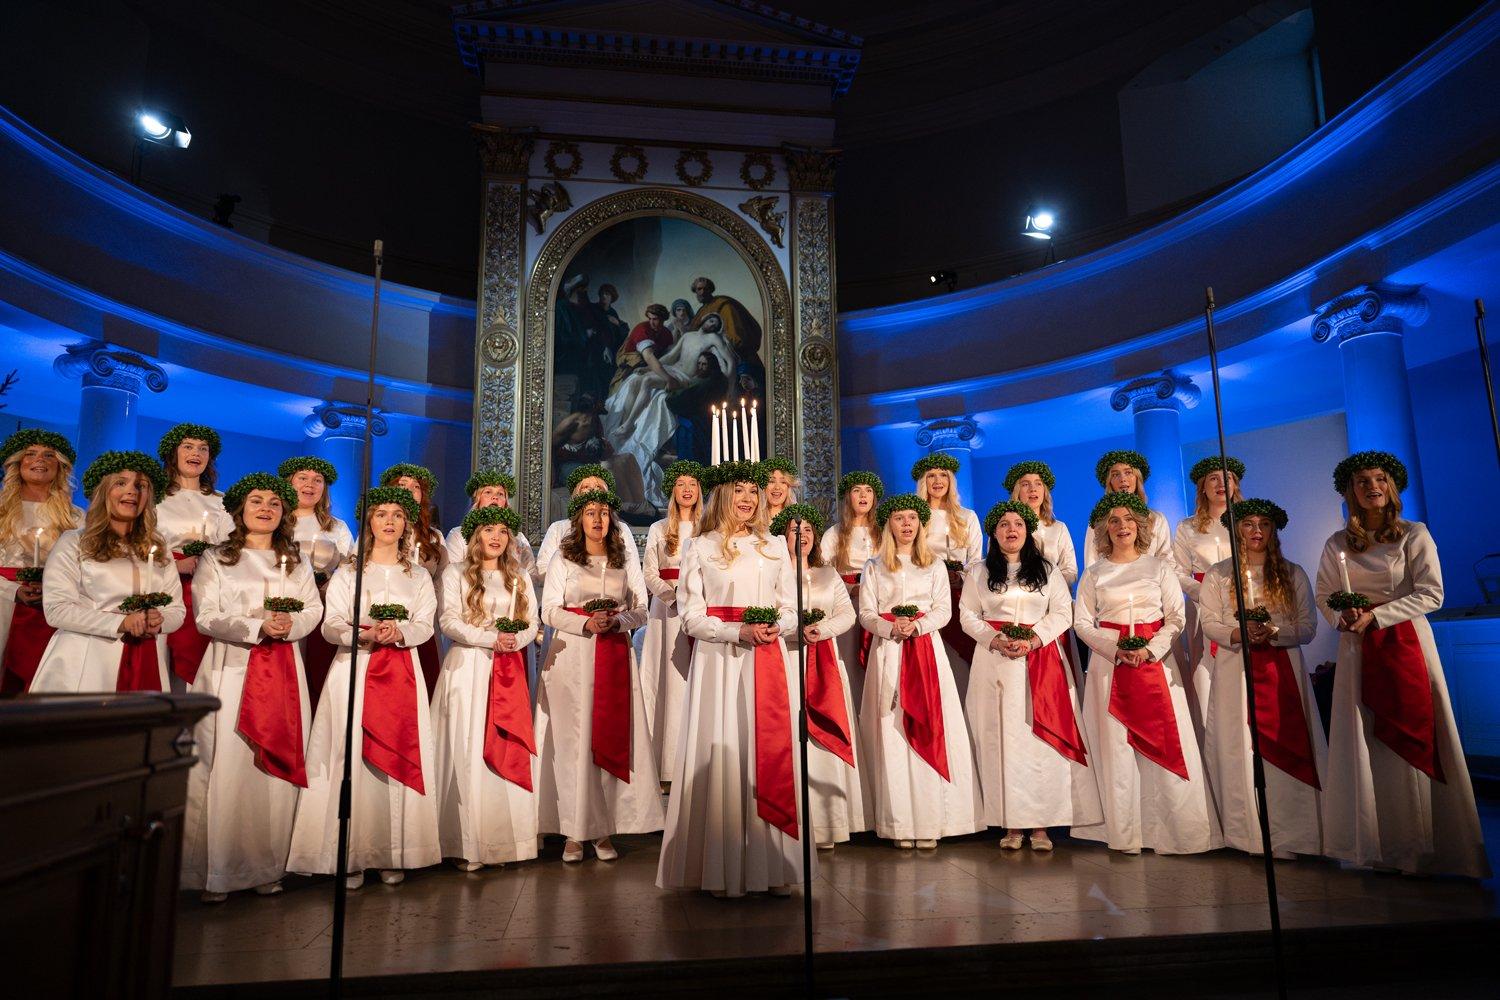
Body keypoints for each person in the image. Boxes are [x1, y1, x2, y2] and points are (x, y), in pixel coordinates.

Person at [1314, 452, 1488, 878]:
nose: (1371, 486)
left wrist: (1379, 615)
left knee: (1417, 733)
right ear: (1349, 492)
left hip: (1406, 644)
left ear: (1391, 487)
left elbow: (1432, 593)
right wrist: (1344, 617)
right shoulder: (1338, 543)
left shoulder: (1414, 534)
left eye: (1379, 479)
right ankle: (1380, 845)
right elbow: (1324, 594)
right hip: (1357, 649)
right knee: (1366, 737)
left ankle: (1427, 846)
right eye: (1361, 481)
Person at [657, 461, 806, 896]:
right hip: (720, 663)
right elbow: (691, 616)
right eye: (739, 491)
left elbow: (791, 607)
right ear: (723, 495)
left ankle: (773, 867)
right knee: (725, 751)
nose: (747, 499)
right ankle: (721, 869)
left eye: (753, 492)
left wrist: (780, 626)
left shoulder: (775, 544)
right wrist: (734, 631)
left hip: (767, 658)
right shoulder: (700, 547)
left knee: (764, 749)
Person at [288, 486, 440, 889]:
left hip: (402, 674)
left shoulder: (419, 575)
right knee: (351, 756)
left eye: (396, 514)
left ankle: (393, 850)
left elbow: (425, 624)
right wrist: (362, 633)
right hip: (355, 670)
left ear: (406, 522)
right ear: (369, 522)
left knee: (397, 755)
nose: (389, 521)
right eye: (380, 514)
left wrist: (400, 630)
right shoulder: (349, 573)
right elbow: (330, 622)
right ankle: (352, 853)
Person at [181, 473, 322, 902]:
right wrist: (256, 625)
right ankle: (216, 871)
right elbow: (205, 614)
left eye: (275, 504)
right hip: (231, 666)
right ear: (240, 510)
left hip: (282, 668)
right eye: (256, 501)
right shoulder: (217, 558)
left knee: (271, 767)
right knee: (226, 761)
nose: (266, 509)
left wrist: (291, 624)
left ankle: (267, 864)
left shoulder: (295, 560)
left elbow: (313, 607)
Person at [1071, 493, 1220, 855]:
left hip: (1156, 663)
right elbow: (1081, 622)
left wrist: (1149, 649)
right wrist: (1114, 648)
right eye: (1114, 520)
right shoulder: (1094, 573)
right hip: (1110, 666)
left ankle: (1171, 831)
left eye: (1128, 519)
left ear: (1139, 526)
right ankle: (1124, 832)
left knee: (1163, 737)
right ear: (1105, 529)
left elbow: (1176, 618)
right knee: (1117, 746)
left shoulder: (1159, 569)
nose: (1122, 526)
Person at [962, 501, 1100, 852]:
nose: (1012, 530)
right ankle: (1011, 823)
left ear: (1027, 531)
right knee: (1001, 741)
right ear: (994, 532)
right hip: (994, 663)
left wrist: (1034, 639)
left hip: (1040, 661)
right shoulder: (979, 572)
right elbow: (968, 616)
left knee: (1038, 743)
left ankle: (1041, 825)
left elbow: (1062, 612)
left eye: (1018, 525)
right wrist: (996, 639)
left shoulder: (1048, 571)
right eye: (1004, 524)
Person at [537, 488, 663, 862]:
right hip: (573, 657)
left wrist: (618, 621)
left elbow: (641, 608)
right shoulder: (564, 558)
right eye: (590, 513)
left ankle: (604, 828)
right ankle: (575, 831)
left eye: (604, 512)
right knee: (575, 740)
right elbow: (550, 610)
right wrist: (587, 623)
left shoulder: (624, 558)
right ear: (578, 520)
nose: (598, 519)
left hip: (613, 653)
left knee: (608, 734)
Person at [1199, 499, 1325, 858]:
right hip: (1234, 668)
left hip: (1281, 666)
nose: (1256, 531)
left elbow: (1307, 626)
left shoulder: (1292, 573)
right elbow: (1209, 622)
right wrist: (1240, 632)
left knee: (1285, 743)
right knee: (1238, 745)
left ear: (1273, 531)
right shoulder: (1219, 575)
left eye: (1264, 525)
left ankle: (1293, 834)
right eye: (1249, 524)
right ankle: (1246, 833)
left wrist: (1273, 631)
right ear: (1236, 530)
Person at [857, 493, 983, 851]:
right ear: (889, 524)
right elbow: (866, 613)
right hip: (889, 652)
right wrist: (890, 627)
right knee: (891, 728)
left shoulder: (934, 565)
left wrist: (919, 626)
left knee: (929, 723)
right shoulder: (874, 567)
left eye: (912, 517)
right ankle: (898, 822)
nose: (907, 524)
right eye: (899, 518)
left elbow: (945, 610)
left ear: (921, 523)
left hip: (926, 651)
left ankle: (931, 818)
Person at [432, 504, 542, 870]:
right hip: (468, 668)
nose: (495, 537)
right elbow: (448, 619)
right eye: (488, 530)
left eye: (502, 531)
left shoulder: (519, 577)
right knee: (467, 744)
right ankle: (465, 840)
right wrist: (487, 637)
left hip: (508, 668)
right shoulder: (457, 574)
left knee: (504, 741)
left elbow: (530, 621)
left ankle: (501, 839)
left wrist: (517, 639)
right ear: (476, 536)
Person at [32, 451, 183, 693]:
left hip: (146, 660)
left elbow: (177, 609)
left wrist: (158, 620)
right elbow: (56, 609)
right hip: (85, 659)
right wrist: (121, 622)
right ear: (104, 491)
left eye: (141, 485)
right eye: (121, 483)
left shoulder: (158, 547)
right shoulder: (74, 542)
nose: (132, 491)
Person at [775, 503, 871, 851]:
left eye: (807, 532)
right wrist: (792, 632)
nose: (801, 536)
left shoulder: (828, 574)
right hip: (786, 659)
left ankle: (828, 823)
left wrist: (822, 628)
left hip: (825, 658)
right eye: (793, 530)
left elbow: (847, 615)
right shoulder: (772, 573)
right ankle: (794, 820)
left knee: (823, 732)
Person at [0, 429, 84, 694]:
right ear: (17, 463)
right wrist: (13, 591)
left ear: (60, 466)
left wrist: (53, 589)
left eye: (49, 455)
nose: (40, 460)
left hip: (52, 608)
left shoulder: (76, 517)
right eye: (31, 454)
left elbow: (84, 567)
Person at [640, 461, 703, 782]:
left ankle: (695, 763)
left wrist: (693, 597)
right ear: (672, 491)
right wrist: (671, 596)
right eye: (681, 483)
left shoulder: (708, 528)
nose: (687, 489)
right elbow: (650, 571)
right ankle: (664, 764)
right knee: (667, 679)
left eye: (692, 483)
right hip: (667, 613)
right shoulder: (659, 529)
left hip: (700, 609)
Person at [156, 424, 233, 686]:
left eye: (203, 449)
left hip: (208, 589)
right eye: (187, 447)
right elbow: (142, 545)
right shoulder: (155, 498)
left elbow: (231, 543)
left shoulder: (222, 501)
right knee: (163, 659)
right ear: (172, 453)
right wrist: (174, 566)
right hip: (165, 587)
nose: (196, 453)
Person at [1175, 456, 1246, 724]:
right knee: (1206, 671)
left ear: (1235, 485)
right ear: (1202, 487)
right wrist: (1204, 592)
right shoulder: (1187, 527)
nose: (1220, 483)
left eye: (1226, 477)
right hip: (1203, 605)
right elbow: (1177, 571)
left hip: (1242, 602)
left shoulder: (1247, 523)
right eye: (1213, 478)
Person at [279, 456, 353, 704]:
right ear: (289, 483)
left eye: (317, 480)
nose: (310, 485)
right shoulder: (278, 523)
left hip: (323, 604)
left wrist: (329, 586)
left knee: (316, 673)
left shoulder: (337, 527)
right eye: (303, 478)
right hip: (285, 604)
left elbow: (349, 566)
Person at [912, 453, 983, 698]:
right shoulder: (915, 518)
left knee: (961, 656)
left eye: (943, 475)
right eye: (931, 475)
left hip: (960, 592)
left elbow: (975, 560)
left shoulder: (967, 516)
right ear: (924, 482)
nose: (938, 480)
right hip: (926, 595)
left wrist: (961, 578)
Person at [380, 463, 445, 698]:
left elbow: (441, 580)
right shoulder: (377, 531)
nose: (409, 490)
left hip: (422, 618)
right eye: (403, 485)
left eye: (416, 486)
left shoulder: (434, 537)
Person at [820, 471, 883, 708]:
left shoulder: (883, 532)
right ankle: (850, 706)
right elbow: (824, 571)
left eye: (868, 490)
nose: (863, 495)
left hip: (877, 602)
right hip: (848, 602)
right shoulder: (834, 533)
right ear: (848, 497)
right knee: (848, 657)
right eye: (857, 490)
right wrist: (849, 588)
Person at [1080, 450, 1176, 571]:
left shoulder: (1157, 519)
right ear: (1109, 482)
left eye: (1128, 472)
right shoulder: (1098, 520)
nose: (1123, 479)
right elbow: (1091, 565)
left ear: (1137, 478)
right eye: (1115, 474)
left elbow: (1167, 563)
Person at [444, 470, 535, 578]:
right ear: (477, 499)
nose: (495, 497)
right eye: (488, 492)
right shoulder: (458, 535)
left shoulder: (519, 539)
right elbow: (452, 575)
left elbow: (531, 577)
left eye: (500, 494)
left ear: (505, 503)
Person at [1005, 460, 1077, 586]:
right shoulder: (1004, 529)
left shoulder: (1058, 528)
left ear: (1044, 491)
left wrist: (1050, 586)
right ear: (1017, 491)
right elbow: (995, 566)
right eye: (1025, 484)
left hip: (1054, 599)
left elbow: (1070, 570)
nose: (1033, 489)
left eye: (1038, 484)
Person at [761, 457, 799, 522]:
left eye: (783, 482)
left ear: (789, 487)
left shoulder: (798, 519)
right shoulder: (753, 520)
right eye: (771, 481)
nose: (777, 487)